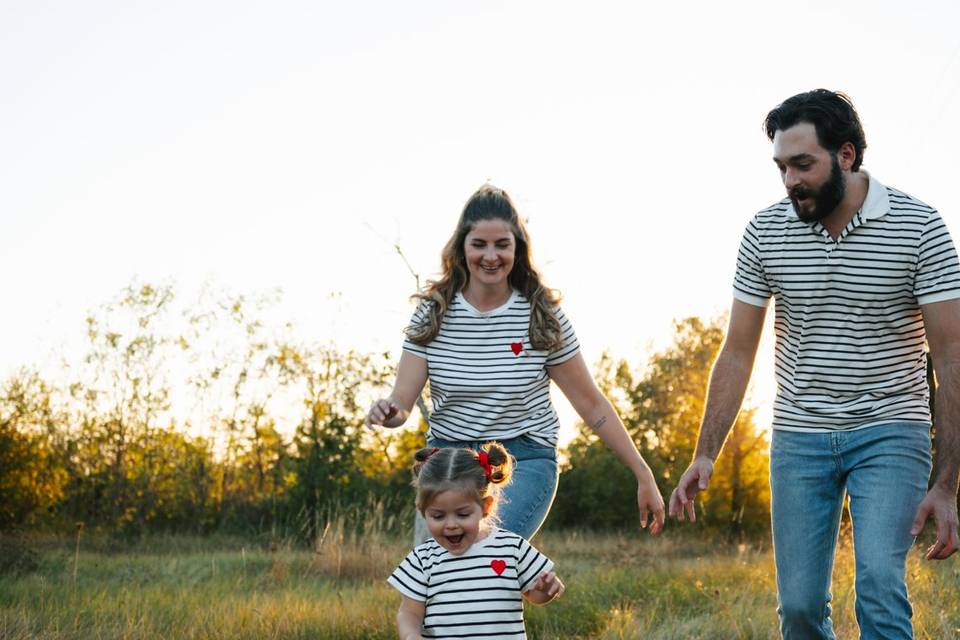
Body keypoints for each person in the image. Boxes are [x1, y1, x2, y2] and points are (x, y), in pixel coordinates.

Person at [668, 88, 960, 639]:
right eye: (781, 167)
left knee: (878, 585)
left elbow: (951, 355)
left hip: (891, 429)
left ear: (846, 155)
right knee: (800, 607)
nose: (790, 180)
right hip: (800, 434)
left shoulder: (919, 227)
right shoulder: (765, 231)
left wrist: (946, 484)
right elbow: (737, 350)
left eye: (803, 164)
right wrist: (705, 451)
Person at [367, 184, 664, 539]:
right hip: (449, 462)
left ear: (517, 248)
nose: (490, 256)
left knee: (488, 554)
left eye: (501, 245)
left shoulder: (541, 315)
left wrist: (642, 473)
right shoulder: (434, 313)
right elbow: (402, 402)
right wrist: (389, 412)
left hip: (524, 458)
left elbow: (591, 403)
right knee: (444, 573)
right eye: (479, 244)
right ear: (462, 248)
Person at [388, 443, 563, 640]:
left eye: (463, 514)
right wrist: (410, 635)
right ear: (423, 511)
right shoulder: (422, 559)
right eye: (438, 516)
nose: (451, 525)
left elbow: (535, 596)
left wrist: (545, 590)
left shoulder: (512, 548)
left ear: (486, 507)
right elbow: (409, 612)